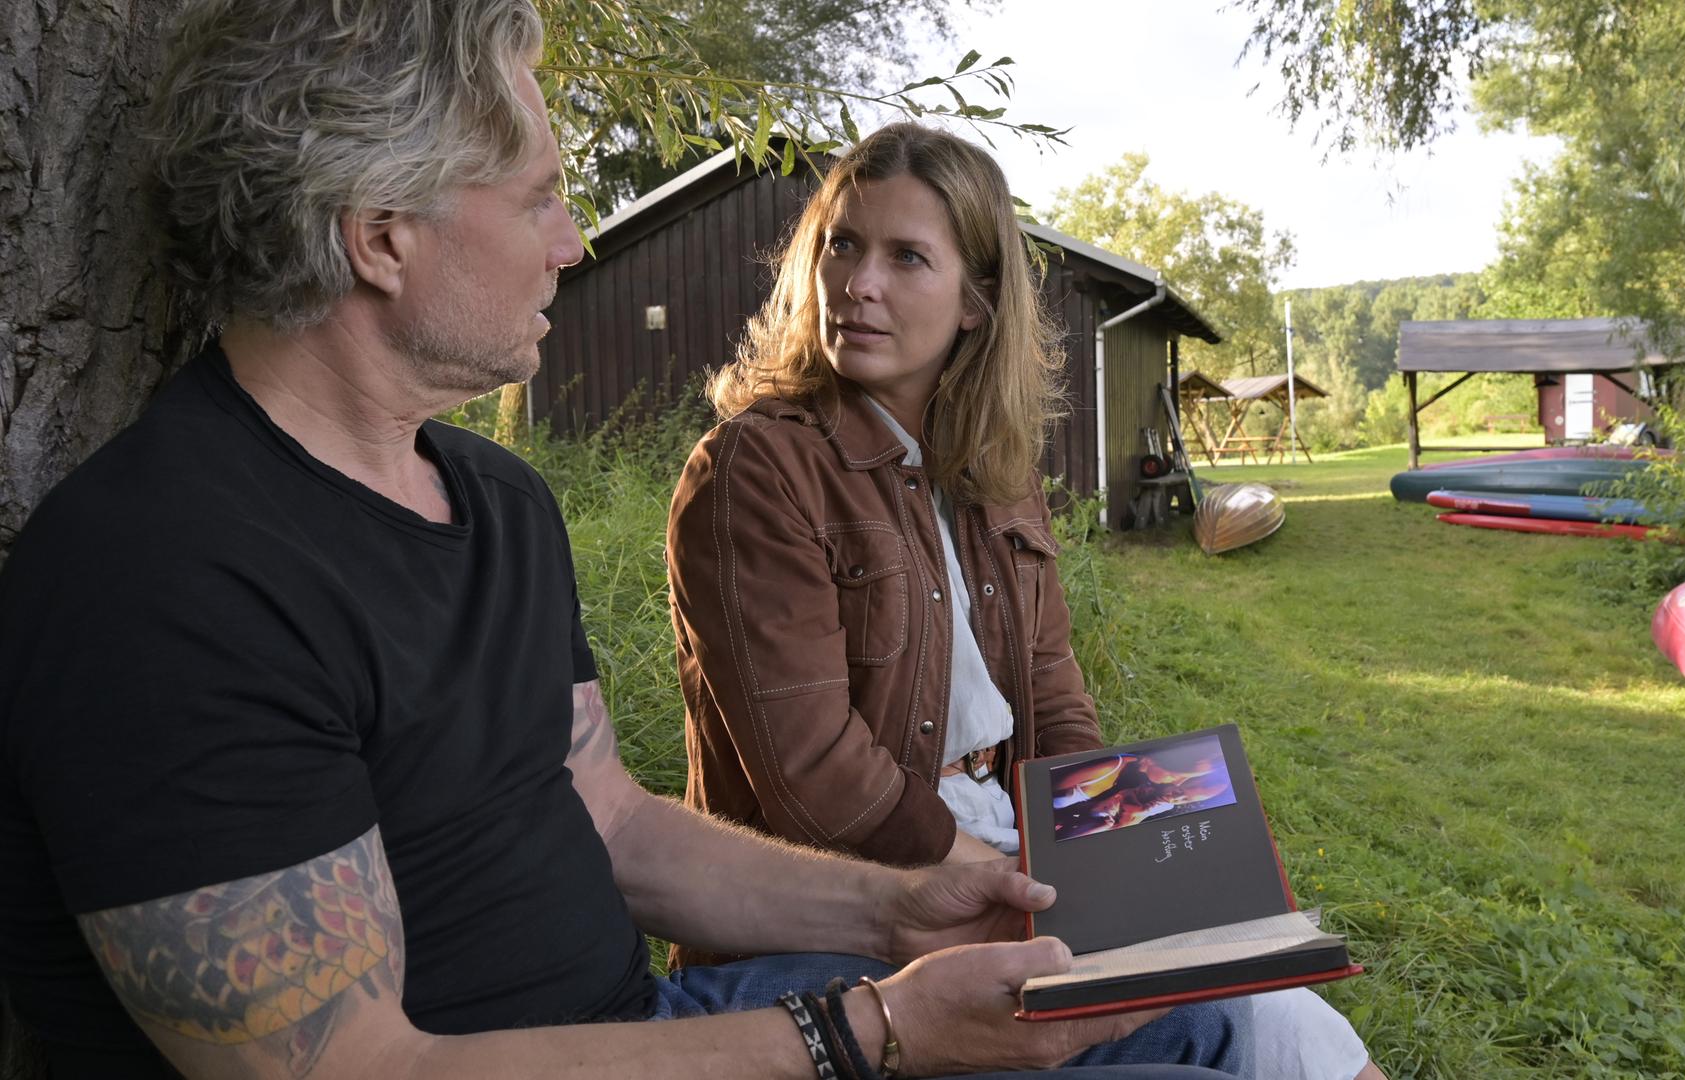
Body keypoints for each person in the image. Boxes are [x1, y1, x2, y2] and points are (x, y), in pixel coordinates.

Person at [0, 4, 1253, 1079]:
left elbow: (611, 823)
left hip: (645, 1024)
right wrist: (863, 1035)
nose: (574, 242)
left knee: (1187, 1022)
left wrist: (903, 916)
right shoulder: (159, 580)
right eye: (541, 195)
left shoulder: (493, 502)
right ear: (381, 235)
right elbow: (354, 1068)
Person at [665, 125, 1385, 1080]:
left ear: (977, 301)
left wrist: (1115, 849)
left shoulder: (994, 473)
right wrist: (987, 879)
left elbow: (1050, 693)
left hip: (1002, 836)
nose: (859, 283)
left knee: (1275, 1004)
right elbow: (812, 774)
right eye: (842, 244)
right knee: (1251, 1020)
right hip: (858, 889)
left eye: (906, 256)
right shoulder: (758, 467)